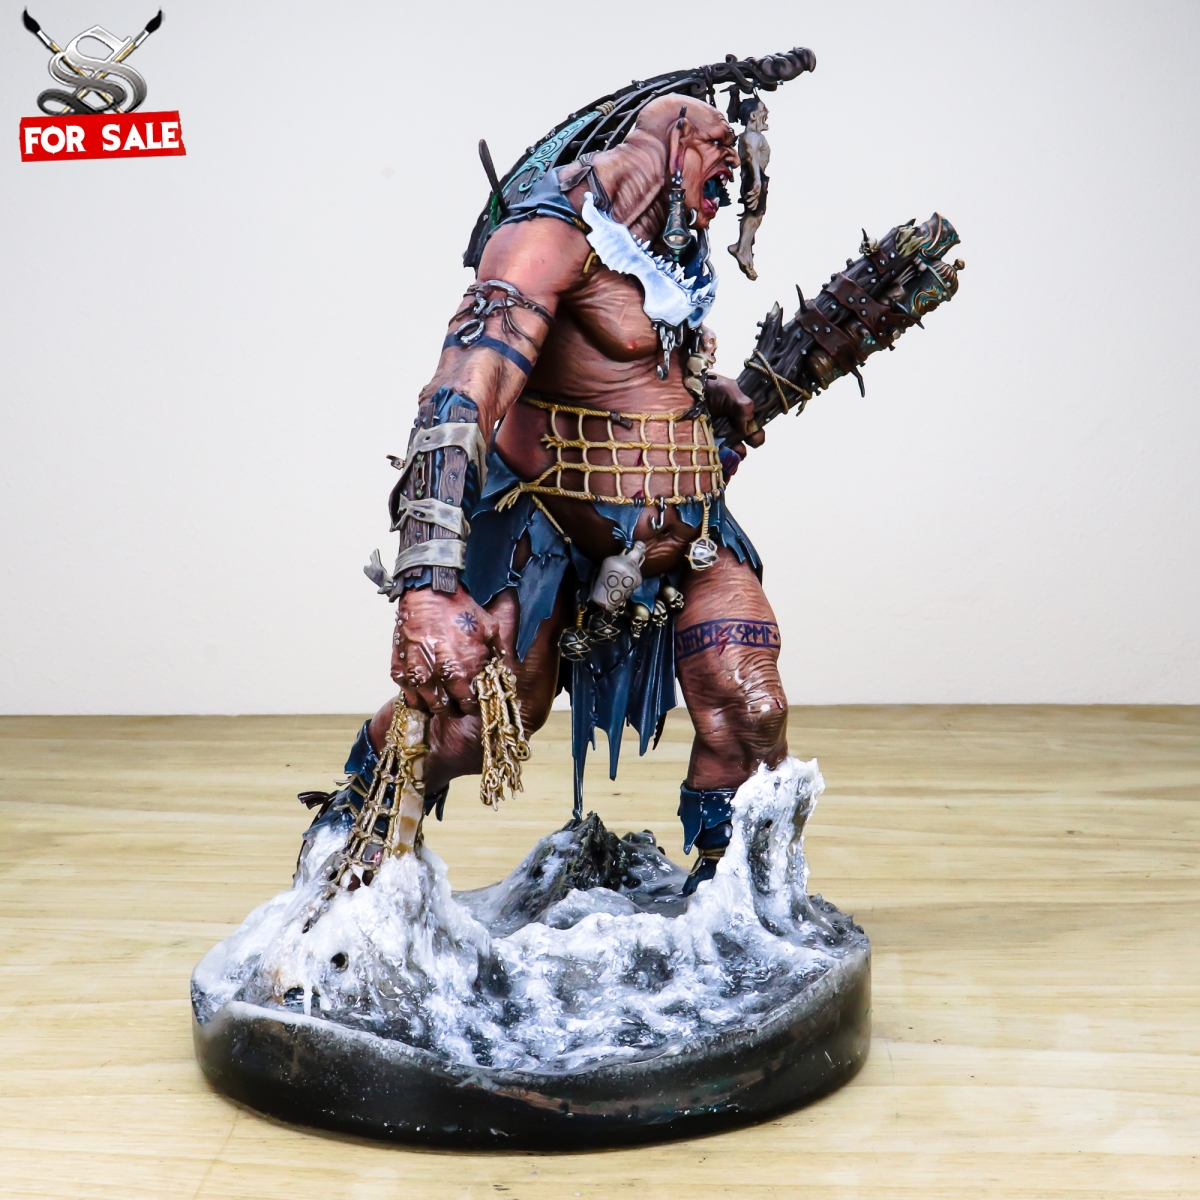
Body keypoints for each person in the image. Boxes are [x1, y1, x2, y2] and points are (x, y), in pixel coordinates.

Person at [320, 94, 788, 894]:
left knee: (753, 707)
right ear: (676, 137)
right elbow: (464, 389)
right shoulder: (550, 230)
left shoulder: (668, 245)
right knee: (473, 727)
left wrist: (707, 393)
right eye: (720, 151)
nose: (733, 178)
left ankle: (737, 907)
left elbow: (628, 371)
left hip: (688, 530)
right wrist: (427, 585)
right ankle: (352, 831)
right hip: (548, 528)